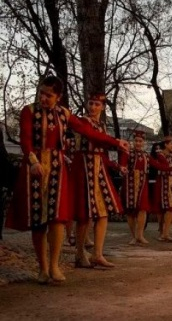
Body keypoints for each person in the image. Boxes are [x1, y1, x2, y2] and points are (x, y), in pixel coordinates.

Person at [6, 75, 128, 283]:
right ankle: (42, 268)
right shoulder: (29, 111)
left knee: (58, 218)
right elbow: (25, 139)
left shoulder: (64, 113)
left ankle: (54, 266)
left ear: (59, 97)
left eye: (49, 95)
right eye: (42, 93)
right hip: (35, 167)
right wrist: (33, 161)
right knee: (38, 221)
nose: (44, 98)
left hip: (57, 167)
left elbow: (88, 132)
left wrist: (115, 141)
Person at [71, 93, 127, 268]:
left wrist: (117, 166)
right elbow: (94, 137)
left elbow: (102, 152)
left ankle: (97, 254)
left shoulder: (102, 125)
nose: (93, 107)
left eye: (97, 104)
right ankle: (80, 253)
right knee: (84, 213)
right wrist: (116, 141)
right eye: (91, 103)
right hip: (84, 166)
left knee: (103, 212)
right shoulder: (83, 122)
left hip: (98, 167)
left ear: (102, 107)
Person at [119, 131, 172, 245]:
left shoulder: (146, 155)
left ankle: (140, 235)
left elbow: (158, 165)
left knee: (142, 209)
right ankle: (134, 236)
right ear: (133, 141)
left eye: (140, 141)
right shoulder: (127, 152)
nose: (138, 143)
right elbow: (122, 164)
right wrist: (122, 169)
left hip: (143, 184)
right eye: (136, 141)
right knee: (131, 211)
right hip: (130, 184)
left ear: (144, 142)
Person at [153, 136, 172, 242]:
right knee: (165, 208)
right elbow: (165, 166)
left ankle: (165, 232)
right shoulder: (160, 155)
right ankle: (163, 232)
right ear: (165, 144)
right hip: (163, 183)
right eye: (171, 144)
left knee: (171, 208)